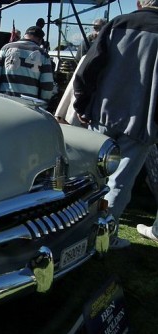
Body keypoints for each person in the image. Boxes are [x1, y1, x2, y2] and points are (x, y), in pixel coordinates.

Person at [73, 0, 158, 249]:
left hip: (103, 112)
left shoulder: (118, 23)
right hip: (142, 121)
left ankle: (79, 233)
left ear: (141, 3)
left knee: (91, 177)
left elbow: (88, 68)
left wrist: (82, 104)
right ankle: (103, 236)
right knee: (119, 183)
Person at [0, 26, 54, 103]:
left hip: (4, 100)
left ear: (25, 35)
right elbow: (47, 85)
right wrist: (43, 104)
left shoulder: (6, 48)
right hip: (29, 105)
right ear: (40, 40)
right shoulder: (43, 54)